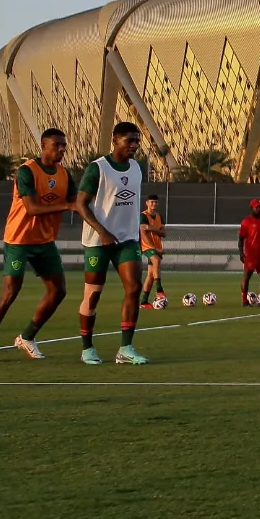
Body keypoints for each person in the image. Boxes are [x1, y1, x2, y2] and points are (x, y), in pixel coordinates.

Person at [0, 128, 77, 364]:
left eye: (63, 145)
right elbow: (32, 209)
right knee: (10, 292)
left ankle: (27, 337)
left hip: (45, 241)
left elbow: (78, 202)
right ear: (43, 146)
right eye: (57, 145)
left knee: (58, 291)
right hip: (18, 239)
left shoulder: (65, 175)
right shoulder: (27, 171)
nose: (61, 149)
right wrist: (68, 207)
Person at [75, 121, 147, 365]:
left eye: (137, 140)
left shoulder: (137, 168)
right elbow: (81, 204)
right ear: (115, 140)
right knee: (93, 295)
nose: (135, 145)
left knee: (134, 287)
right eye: (130, 140)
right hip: (98, 241)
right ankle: (87, 348)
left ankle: (125, 349)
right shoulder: (98, 169)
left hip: (127, 240)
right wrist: (102, 231)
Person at [239, 199, 260, 307]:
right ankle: (244, 300)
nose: (259, 209)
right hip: (251, 254)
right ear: (252, 208)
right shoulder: (246, 222)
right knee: (247, 276)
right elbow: (241, 239)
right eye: (257, 207)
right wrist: (241, 252)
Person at [138, 195, 167, 309]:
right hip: (147, 247)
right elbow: (143, 232)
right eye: (152, 202)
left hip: (157, 246)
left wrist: (150, 228)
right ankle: (159, 289)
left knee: (150, 275)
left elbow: (164, 233)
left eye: (155, 202)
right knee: (156, 260)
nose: (154, 204)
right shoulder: (143, 216)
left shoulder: (160, 216)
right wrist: (153, 247)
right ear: (147, 203)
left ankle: (144, 302)